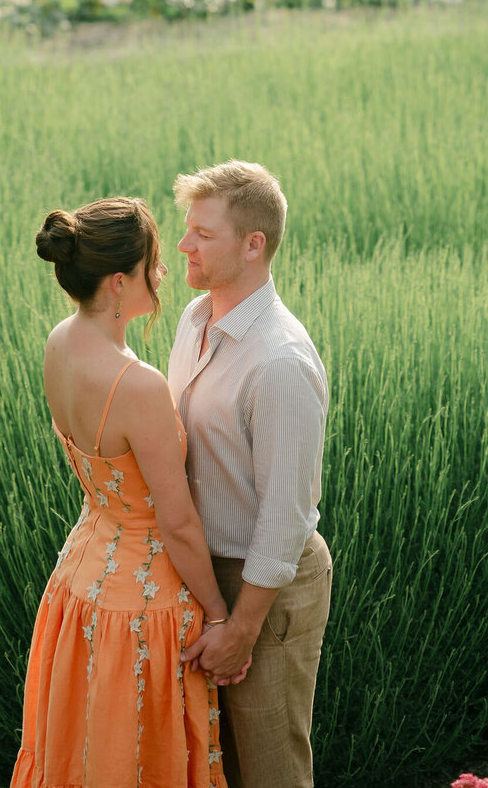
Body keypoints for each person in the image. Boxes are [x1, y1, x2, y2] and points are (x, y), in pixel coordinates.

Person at [12, 195, 252, 788]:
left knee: (85, 755)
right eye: (153, 263)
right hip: (141, 611)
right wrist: (220, 617)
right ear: (120, 282)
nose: (164, 272)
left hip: (77, 583)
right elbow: (177, 524)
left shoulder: (60, 342)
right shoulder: (136, 385)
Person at [170, 162, 330, 788]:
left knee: (269, 773)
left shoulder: (280, 362)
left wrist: (242, 625)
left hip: (268, 587)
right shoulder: (193, 320)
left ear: (253, 243)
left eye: (203, 234)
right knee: (215, 768)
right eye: (188, 230)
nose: (184, 245)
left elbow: (286, 516)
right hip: (206, 579)